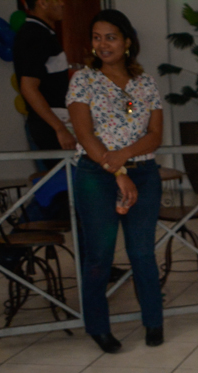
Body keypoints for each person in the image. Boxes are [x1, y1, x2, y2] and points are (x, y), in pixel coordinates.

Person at [66, 9, 164, 353]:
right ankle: (98, 327)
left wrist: (124, 156)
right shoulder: (83, 80)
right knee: (99, 255)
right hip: (97, 176)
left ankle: (154, 321)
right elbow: (84, 134)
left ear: (126, 42)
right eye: (97, 38)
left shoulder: (145, 83)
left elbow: (155, 136)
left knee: (142, 252)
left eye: (110, 37)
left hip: (144, 174)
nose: (103, 44)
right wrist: (118, 171)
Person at [14, 0, 76, 165]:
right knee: (61, 177)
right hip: (49, 126)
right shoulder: (35, 34)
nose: (62, 4)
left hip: (55, 122)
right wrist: (59, 128)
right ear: (42, 3)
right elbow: (28, 87)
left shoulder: (43, 32)